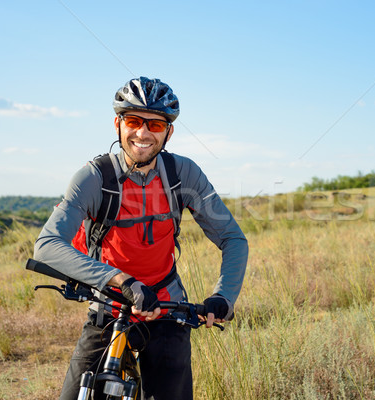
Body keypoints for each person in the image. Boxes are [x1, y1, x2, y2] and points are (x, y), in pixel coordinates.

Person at [34, 77, 248, 399]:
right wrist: (120, 280)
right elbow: (47, 244)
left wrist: (224, 297)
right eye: (133, 121)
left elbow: (233, 238)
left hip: (166, 304)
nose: (143, 133)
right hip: (110, 301)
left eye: (156, 125)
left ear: (169, 132)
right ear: (118, 124)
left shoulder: (182, 174)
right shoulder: (95, 178)